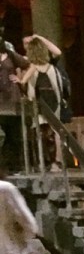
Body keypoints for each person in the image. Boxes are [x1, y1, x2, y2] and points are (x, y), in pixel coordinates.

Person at [18, 35, 63, 171]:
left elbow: (57, 52)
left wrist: (40, 38)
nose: (26, 45)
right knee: (38, 133)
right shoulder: (26, 62)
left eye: (29, 43)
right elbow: (23, 80)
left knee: (50, 133)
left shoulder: (49, 65)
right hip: (37, 102)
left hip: (49, 101)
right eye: (24, 43)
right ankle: (42, 163)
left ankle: (53, 162)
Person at [0, 25, 29, 173]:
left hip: (12, 99)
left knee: (14, 135)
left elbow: (28, 64)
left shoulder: (10, 55)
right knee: (2, 135)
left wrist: (21, 79)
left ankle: (14, 166)